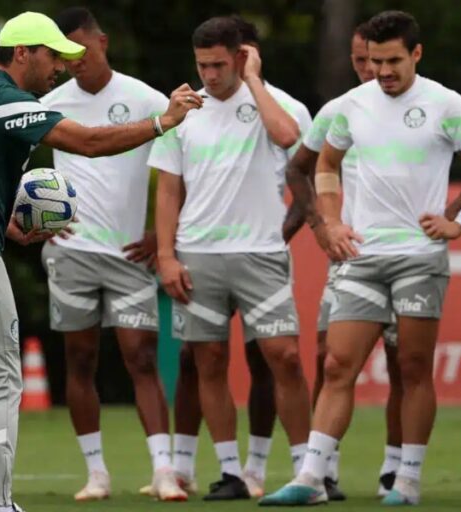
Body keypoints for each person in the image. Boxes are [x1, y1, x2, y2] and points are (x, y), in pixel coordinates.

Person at [0, 11, 201, 512]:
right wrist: (162, 122)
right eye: (52, 55)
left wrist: (6, 221)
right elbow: (87, 143)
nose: (59, 67)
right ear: (23, 53)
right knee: (1, 380)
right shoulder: (3, 97)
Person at [261, 10, 461, 506]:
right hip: (362, 256)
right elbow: (325, 164)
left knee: (413, 367)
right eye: (375, 61)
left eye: (393, 61)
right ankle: (311, 479)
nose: (383, 72)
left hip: (419, 258)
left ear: (416, 54)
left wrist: (457, 220)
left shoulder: (445, 103)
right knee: (338, 366)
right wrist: (330, 223)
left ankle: (407, 481)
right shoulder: (352, 103)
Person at [150, 15, 312, 501]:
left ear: (241, 57)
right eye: (203, 65)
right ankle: (230, 472)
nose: (210, 75)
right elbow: (168, 191)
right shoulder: (182, 111)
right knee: (209, 361)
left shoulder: (281, 105)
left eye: (220, 64)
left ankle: (308, 472)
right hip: (198, 254)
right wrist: (166, 255)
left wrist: (255, 81)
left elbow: (288, 139)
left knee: (283, 357)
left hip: (262, 253)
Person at [37, 7, 185, 502]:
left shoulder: (146, 98)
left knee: (140, 356)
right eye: (64, 52)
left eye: (81, 47)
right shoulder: (52, 102)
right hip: (70, 252)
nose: (74, 59)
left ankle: (164, 470)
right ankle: (96, 473)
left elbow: (176, 169)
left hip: (128, 255)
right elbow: (9, 165)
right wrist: (37, 222)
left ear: (102, 42)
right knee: (79, 359)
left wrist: (162, 235)